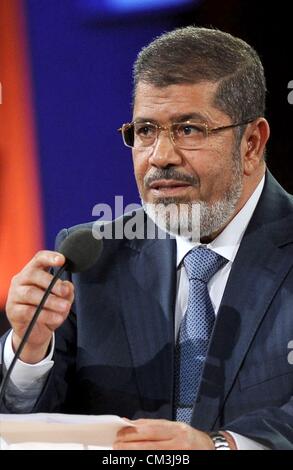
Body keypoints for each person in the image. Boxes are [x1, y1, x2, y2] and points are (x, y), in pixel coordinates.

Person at [1, 26, 293, 450]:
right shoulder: (90, 259)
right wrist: (28, 349)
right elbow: (24, 424)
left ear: (251, 143)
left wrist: (219, 446)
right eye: (145, 131)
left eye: (188, 129)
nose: (160, 157)